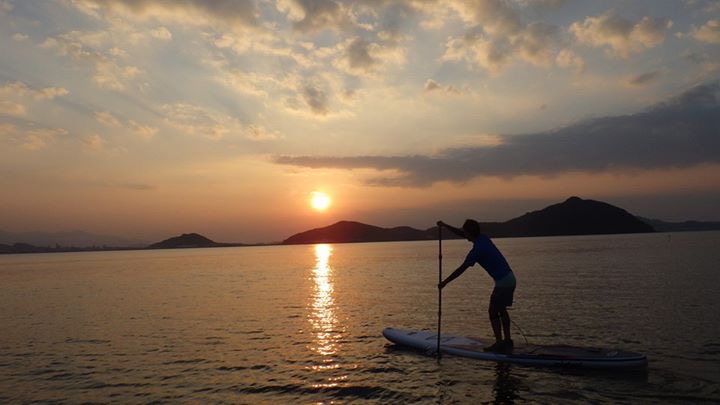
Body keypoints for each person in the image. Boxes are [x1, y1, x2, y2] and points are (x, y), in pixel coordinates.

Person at [437, 219, 517, 352]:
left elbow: (461, 269)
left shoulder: (477, 250)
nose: (465, 236)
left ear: (471, 232)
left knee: (492, 311)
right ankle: (507, 341)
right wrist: (446, 226)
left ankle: (499, 343)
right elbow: (462, 233)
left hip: (503, 283)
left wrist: (445, 282)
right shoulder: (483, 238)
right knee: (501, 310)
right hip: (510, 278)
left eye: (466, 233)